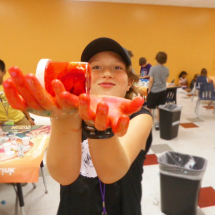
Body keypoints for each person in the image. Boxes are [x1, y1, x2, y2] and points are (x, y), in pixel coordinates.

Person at [3, 38, 153, 215]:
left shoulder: (140, 117)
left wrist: (96, 125)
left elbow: (111, 172)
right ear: (84, 79)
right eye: (96, 67)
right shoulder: (70, 114)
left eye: (117, 68)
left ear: (129, 82)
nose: (107, 73)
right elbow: (63, 175)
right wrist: (63, 119)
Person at [0, 60, 35, 126]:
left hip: (19, 119)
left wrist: (29, 118)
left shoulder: (9, 85)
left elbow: (20, 103)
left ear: (4, 72)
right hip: (2, 123)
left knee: (31, 133)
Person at [147, 51, 169, 130]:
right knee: (160, 108)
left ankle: (149, 123)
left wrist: (149, 89)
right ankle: (157, 123)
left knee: (149, 107)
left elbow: (151, 80)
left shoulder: (153, 68)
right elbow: (166, 80)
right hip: (163, 90)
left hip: (154, 91)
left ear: (157, 58)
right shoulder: (167, 69)